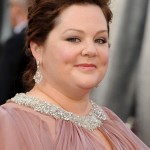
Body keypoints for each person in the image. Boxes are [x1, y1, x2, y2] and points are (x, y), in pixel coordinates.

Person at [0, 0, 149, 149]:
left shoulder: (112, 122)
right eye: (73, 39)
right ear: (37, 49)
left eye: (100, 40)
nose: (91, 50)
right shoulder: (9, 123)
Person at [0, 0, 30, 105]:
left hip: (13, 109)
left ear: (16, 10)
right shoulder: (39, 37)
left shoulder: (14, 42)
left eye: (10, 7)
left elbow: (5, 84)